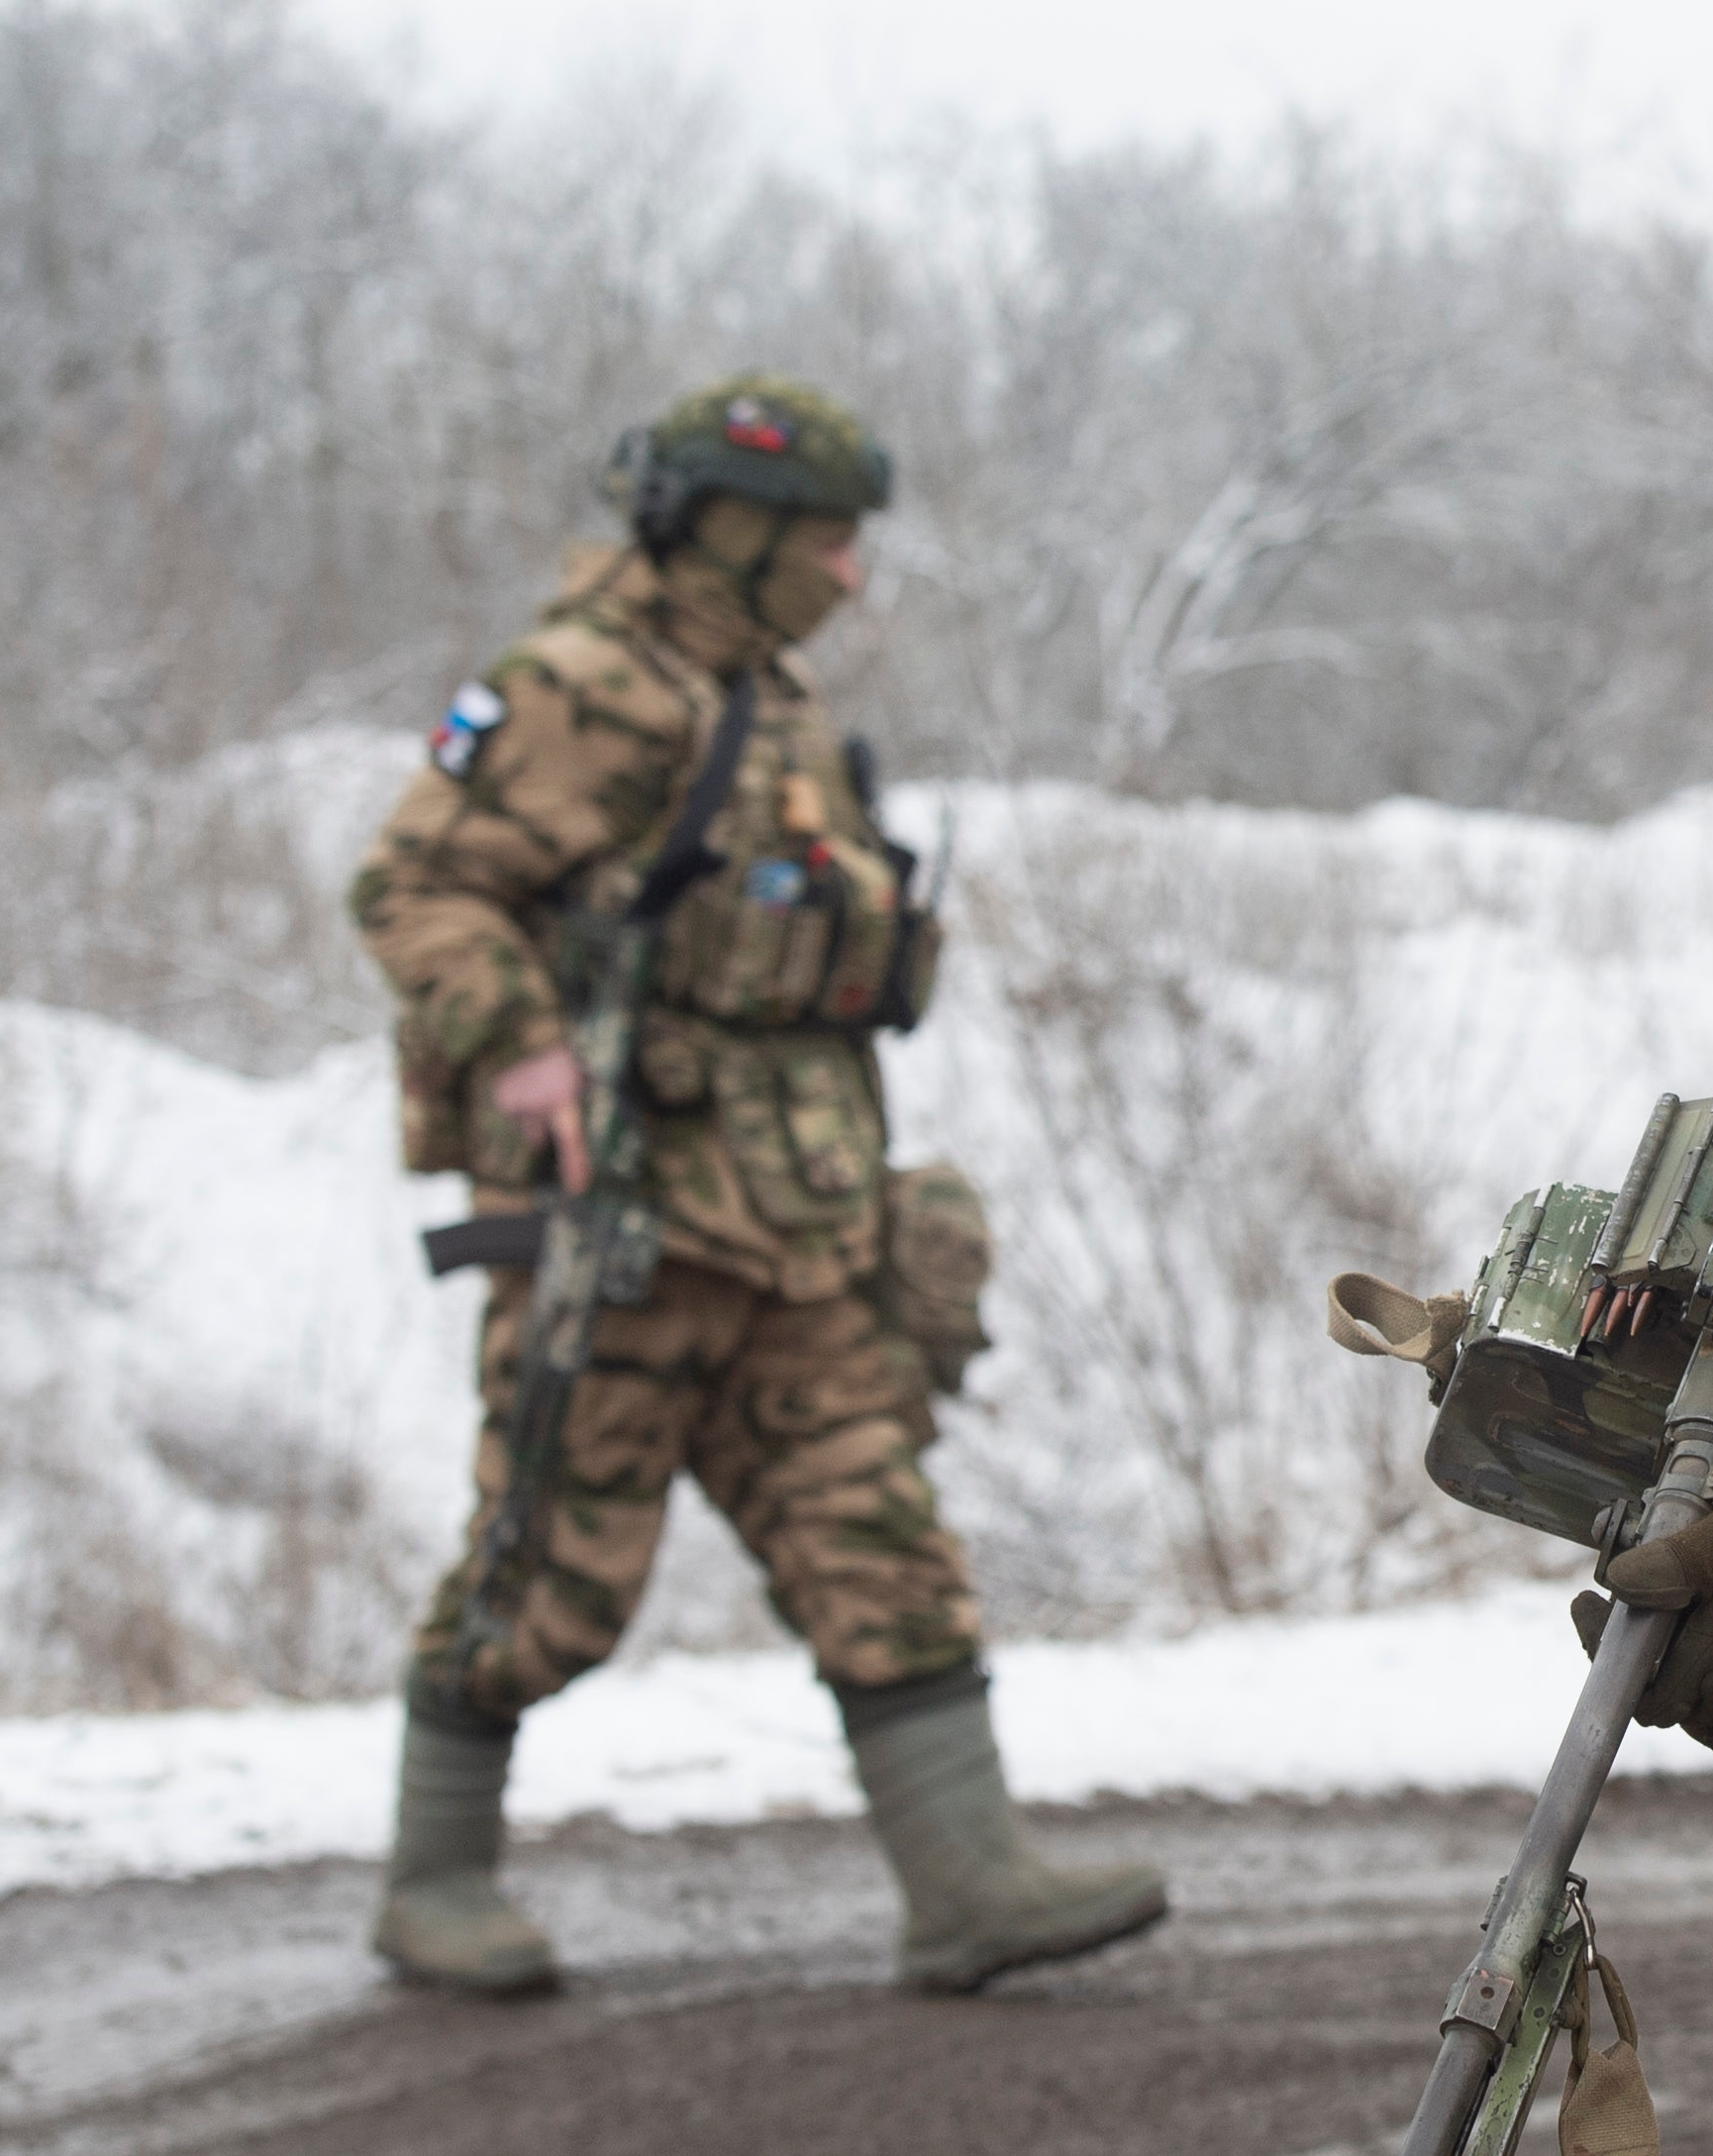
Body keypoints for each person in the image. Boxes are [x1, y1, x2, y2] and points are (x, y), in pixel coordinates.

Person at [348, 374, 1167, 1999]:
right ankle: (432, 1883)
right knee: (548, 1577)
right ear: (731, 531)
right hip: (632, 1234)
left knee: (880, 1541)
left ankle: (968, 1884)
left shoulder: (766, 701)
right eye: (825, 541)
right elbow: (417, 881)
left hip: (794, 1236)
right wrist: (519, 1051)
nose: (850, 574)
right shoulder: (581, 686)